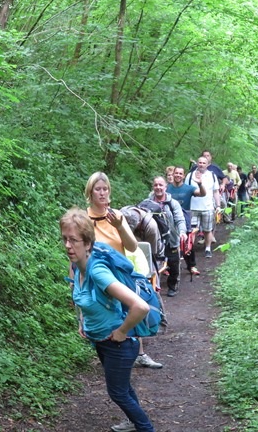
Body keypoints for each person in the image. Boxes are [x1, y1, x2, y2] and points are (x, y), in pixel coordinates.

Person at [60, 207, 155, 432]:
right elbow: (83, 297)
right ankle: (136, 423)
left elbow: (140, 307)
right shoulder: (77, 265)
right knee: (123, 389)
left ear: (88, 243)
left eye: (73, 240)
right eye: (64, 239)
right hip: (102, 341)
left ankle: (145, 427)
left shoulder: (98, 272)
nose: (67, 246)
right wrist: (83, 320)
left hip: (118, 343)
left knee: (118, 392)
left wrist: (122, 331)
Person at [83, 172, 162, 370]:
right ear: (90, 192)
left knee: (130, 309)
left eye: (105, 189)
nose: (102, 193)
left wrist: (119, 226)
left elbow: (132, 246)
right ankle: (110, 354)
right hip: (97, 276)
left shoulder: (117, 216)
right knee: (103, 313)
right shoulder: (83, 219)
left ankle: (140, 354)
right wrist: (75, 279)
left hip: (119, 273)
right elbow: (78, 254)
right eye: (98, 189)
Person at [148, 176, 187, 297]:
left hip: (171, 239)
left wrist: (182, 232)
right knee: (154, 265)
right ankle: (153, 288)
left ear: (165, 187)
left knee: (173, 264)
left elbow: (180, 219)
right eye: (156, 185)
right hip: (154, 240)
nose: (158, 187)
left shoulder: (172, 203)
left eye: (160, 185)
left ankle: (173, 286)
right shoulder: (147, 203)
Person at [167, 166, 205, 276]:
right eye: (176, 173)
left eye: (180, 173)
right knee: (168, 243)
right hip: (169, 219)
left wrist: (200, 184)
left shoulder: (189, 188)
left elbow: (202, 194)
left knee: (187, 243)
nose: (178, 175)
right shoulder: (167, 188)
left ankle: (191, 265)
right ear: (173, 174)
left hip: (185, 218)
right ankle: (168, 267)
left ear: (183, 176)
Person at [185, 156, 220, 259]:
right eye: (199, 162)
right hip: (193, 206)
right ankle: (190, 249)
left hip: (208, 207)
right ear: (197, 163)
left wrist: (218, 205)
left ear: (207, 164)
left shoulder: (212, 175)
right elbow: (186, 190)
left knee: (207, 230)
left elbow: (216, 191)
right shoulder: (190, 175)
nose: (201, 164)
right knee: (192, 230)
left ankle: (208, 249)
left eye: (203, 163)